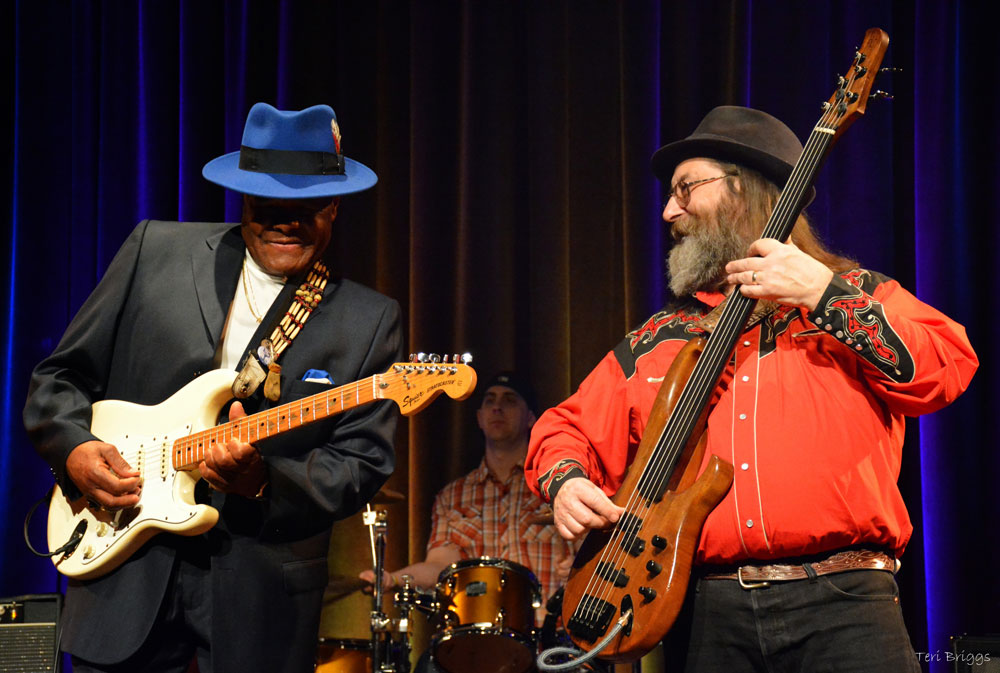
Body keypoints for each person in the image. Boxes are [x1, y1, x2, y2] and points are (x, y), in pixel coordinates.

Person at [525, 106, 978, 672]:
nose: (669, 211)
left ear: (743, 189)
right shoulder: (661, 337)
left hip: (844, 604)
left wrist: (823, 294)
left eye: (686, 189)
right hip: (707, 615)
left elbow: (947, 367)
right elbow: (564, 429)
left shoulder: (855, 294)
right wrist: (565, 483)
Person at [23, 103, 403, 673]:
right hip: (122, 573)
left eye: (306, 207)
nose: (286, 221)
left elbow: (360, 463)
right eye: (268, 204)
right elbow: (60, 377)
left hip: (260, 596)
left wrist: (265, 482)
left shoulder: (368, 320)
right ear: (241, 196)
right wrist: (74, 449)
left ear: (334, 206)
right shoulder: (155, 252)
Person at [364, 371, 573, 607]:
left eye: (509, 400)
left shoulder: (555, 486)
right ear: (479, 419)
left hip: (546, 632)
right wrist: (392, 579)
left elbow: (588, 554)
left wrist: (576, 570)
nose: (497, 408)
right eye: (490, 401)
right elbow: (439, 566)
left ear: (531, 418)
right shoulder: (452, 496)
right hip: (477, 633)